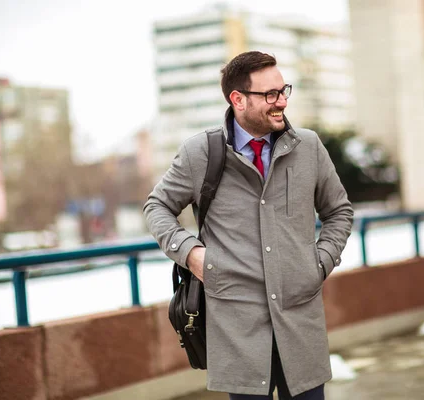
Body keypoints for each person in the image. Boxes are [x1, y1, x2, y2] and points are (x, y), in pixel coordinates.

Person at [143, 51, 353, 399]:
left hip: (300, 321)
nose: (282, 101)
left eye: (283, 90)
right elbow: (157, 206)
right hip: (236, 327)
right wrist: (193, 255)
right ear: (237, 99)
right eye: (270, 94)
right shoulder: (200, 153)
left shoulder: (309, 147)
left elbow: (339, 211)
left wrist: (319, 263)